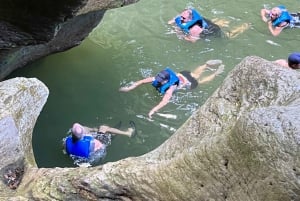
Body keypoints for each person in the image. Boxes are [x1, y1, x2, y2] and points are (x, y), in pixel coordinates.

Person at [119, 60, 224, 118]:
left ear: (165, 81)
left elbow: (164, 102)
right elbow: (141, 81)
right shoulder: (159, 79)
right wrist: (129, 88)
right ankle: (205, 65)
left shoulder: (170, 88)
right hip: (184, 74)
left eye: (160, 80)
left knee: (200, 81)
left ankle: (215, 73)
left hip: (188, 82)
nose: (158, 80)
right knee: (194, 74)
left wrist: (153, 110)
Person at [64, 122, 135, 159]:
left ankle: (95, 129)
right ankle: (128, 133)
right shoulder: (90, 141)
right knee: (104, 128)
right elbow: (100, 146)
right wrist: (101, 133)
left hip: (78, 154)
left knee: (90, 130)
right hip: (95, 150)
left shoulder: (67, 141)